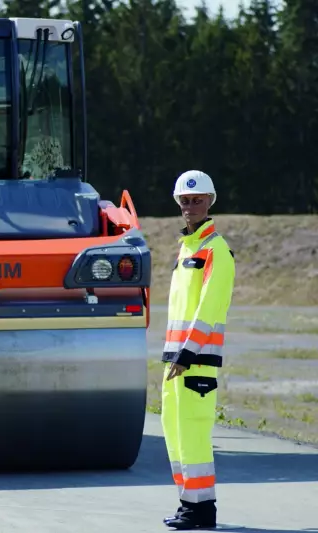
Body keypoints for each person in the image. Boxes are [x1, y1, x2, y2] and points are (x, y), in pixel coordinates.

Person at [161, 170, 236, 530]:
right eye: (185, 201)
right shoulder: (186, 248)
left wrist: (188, 353)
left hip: (195, 360)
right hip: (175, 360)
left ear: (210, 202)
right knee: (174, 430)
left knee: (192, 431)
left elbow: (210, 308)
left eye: (198, 200)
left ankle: (201, 509)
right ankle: (188, 503)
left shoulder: (215, 250)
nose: (191, 206)